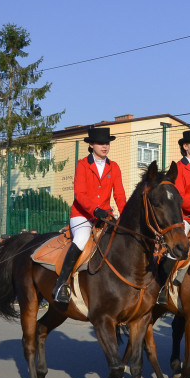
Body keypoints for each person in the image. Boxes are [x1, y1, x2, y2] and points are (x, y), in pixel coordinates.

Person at [56, 125, 127, 303]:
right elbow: (79, 194)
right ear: (91, 145)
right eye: (101, 143)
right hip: (83, 215)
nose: (105, 146)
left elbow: (119, 194)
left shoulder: (115, 167)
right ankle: (62, 283)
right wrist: (95, 210)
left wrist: (124, 216)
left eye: (107, 143)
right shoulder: (82, 164)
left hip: (105, 216)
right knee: (80, 239)